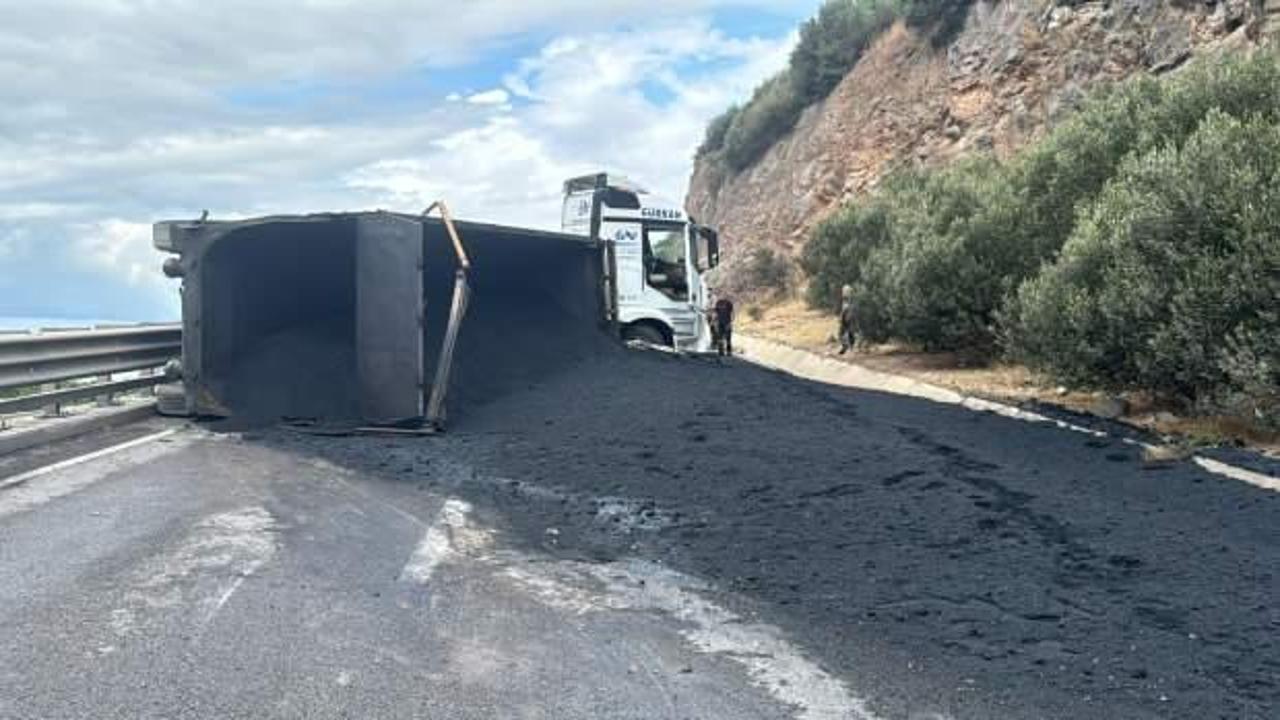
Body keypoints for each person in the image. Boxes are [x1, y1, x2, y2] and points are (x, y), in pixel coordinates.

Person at [838, 284, 857, 355]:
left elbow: (845, 309)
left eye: (844, 291)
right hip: (849, 315)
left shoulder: (847, 299)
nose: (843, 292)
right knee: (849, 332)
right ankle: (849, 347)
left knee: (842, 332)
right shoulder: (850, 298)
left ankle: (846, 346)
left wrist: (841, 317)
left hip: (847, 315)